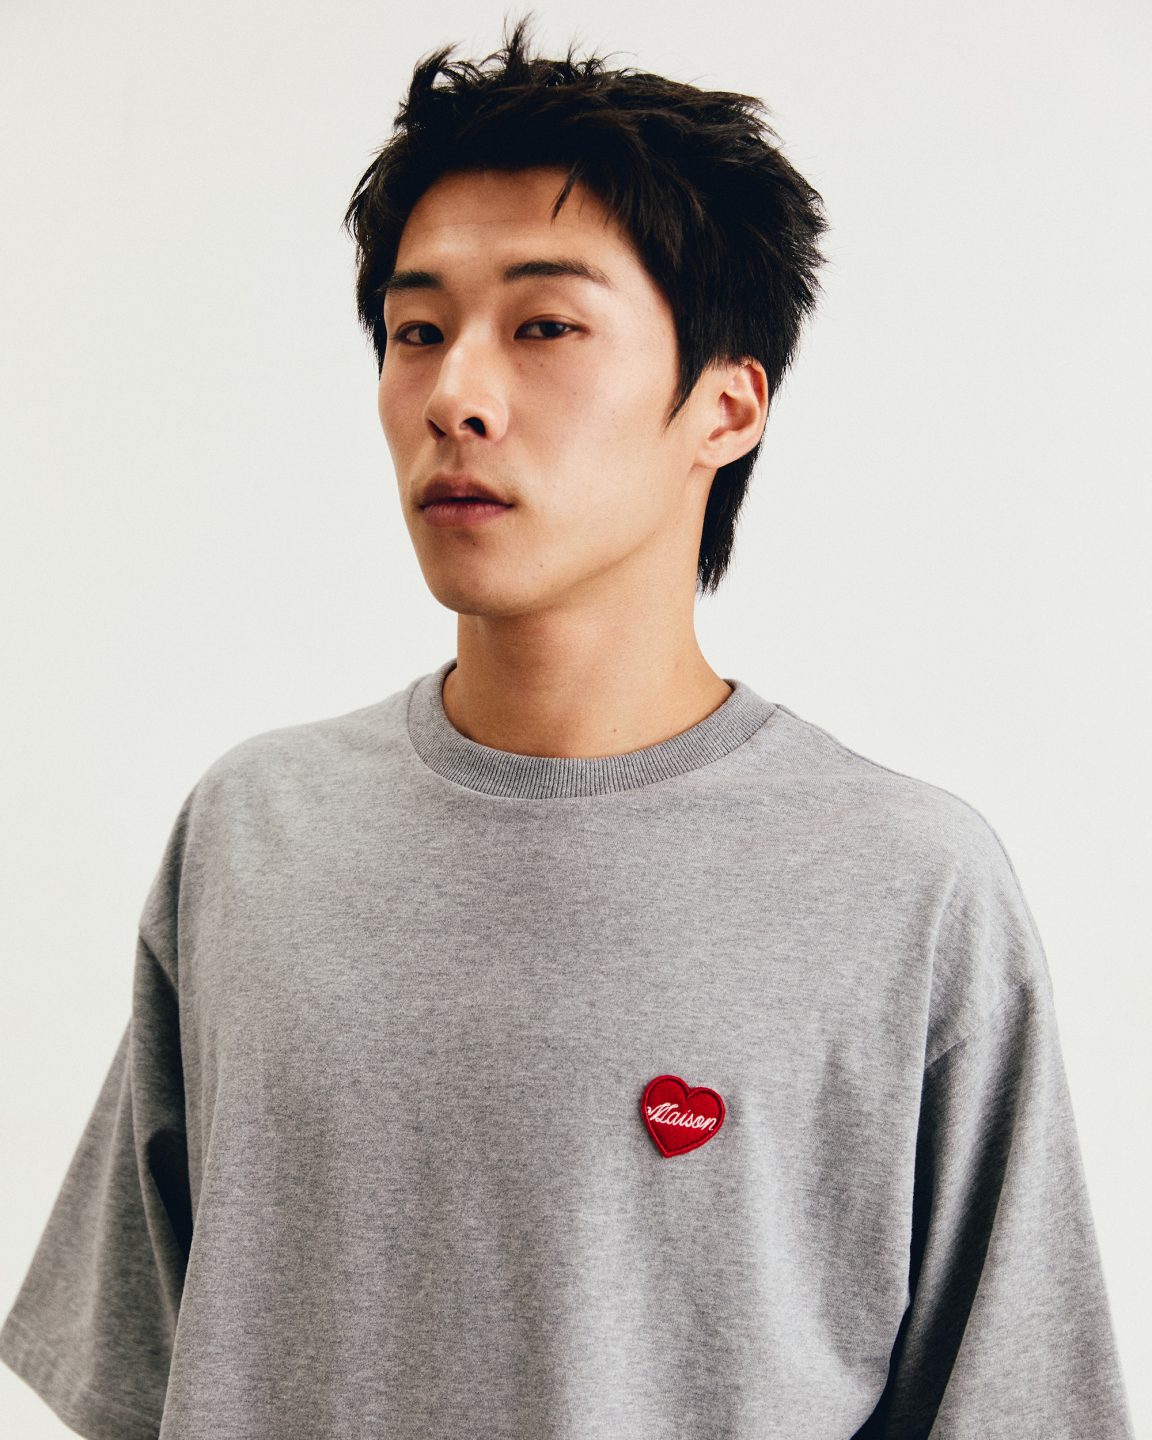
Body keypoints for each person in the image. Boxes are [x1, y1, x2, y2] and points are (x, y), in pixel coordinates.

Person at [0, 14, 1135, 1439]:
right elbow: (148, 1380)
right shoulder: (253, 835)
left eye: (545, 327)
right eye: (417, 331)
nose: (455, 396)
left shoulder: (909, 889)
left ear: (726, 406)